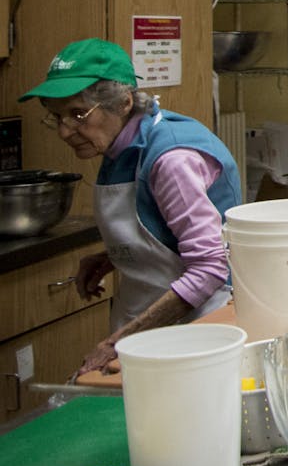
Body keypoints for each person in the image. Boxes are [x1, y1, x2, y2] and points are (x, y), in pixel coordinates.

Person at [18, 38, 242, 377]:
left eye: (78, 114)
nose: (65, 131)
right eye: (56, 117)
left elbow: (209, 268)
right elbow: (163, 228)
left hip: (196, 328)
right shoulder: (118, 145)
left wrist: (118, 343)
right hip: (146, 321)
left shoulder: (171, 159)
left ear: (123, 103)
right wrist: (115, 256)